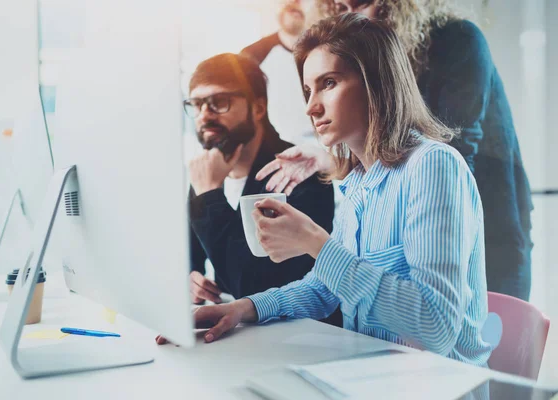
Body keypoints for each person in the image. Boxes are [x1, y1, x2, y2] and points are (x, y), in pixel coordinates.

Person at [159, 15, 492, 367]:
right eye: (307, 90)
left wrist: (316, 243)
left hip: (438, 386)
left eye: (328, 83)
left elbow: (435, 328)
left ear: (376, 82)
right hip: (371, 376)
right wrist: (245, 308)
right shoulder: (358, 180)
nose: (310, 107)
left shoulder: (433, 166)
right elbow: (325, 287)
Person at [261, 0, 534, 300]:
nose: (352, 17)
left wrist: (317, 243)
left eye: (363, 4)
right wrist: (332, 159)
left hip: (489, 228)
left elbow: (453, 153)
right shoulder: (365, 181)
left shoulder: (457, 40)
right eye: (340, 7)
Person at [183, 53, 336, 319]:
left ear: (258, 108)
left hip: (296, 335)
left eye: (219, 102)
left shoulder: (297, 172)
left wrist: (209, 195)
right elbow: (189, 254)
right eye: (197, 105)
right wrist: (189, 278)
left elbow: (253, 285)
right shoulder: (208, 170)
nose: (204, 115)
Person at [241, 1, 316, 145]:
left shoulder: (337, 51)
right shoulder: (250, 58)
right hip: (277, 157)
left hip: (335, 158)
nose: (292, 1)